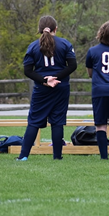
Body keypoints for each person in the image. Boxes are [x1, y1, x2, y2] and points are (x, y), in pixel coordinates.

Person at [18, 15, 77, 161]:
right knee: (57, 121)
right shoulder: (65, 44)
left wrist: (45, 80)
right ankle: (57, 157)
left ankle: (23, 156)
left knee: (34, 121)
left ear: (39, 30)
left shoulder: (32, 46)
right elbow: (73, 66)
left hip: (42, 89)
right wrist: (57, 77)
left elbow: (28, 70)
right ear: (55, 29)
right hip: (61, 87)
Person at [85, 21, 109, 160]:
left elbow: (90, 72)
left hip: (99, 90)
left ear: (100, 34)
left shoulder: (92, 51)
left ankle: (104, 157)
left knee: (101, 124)